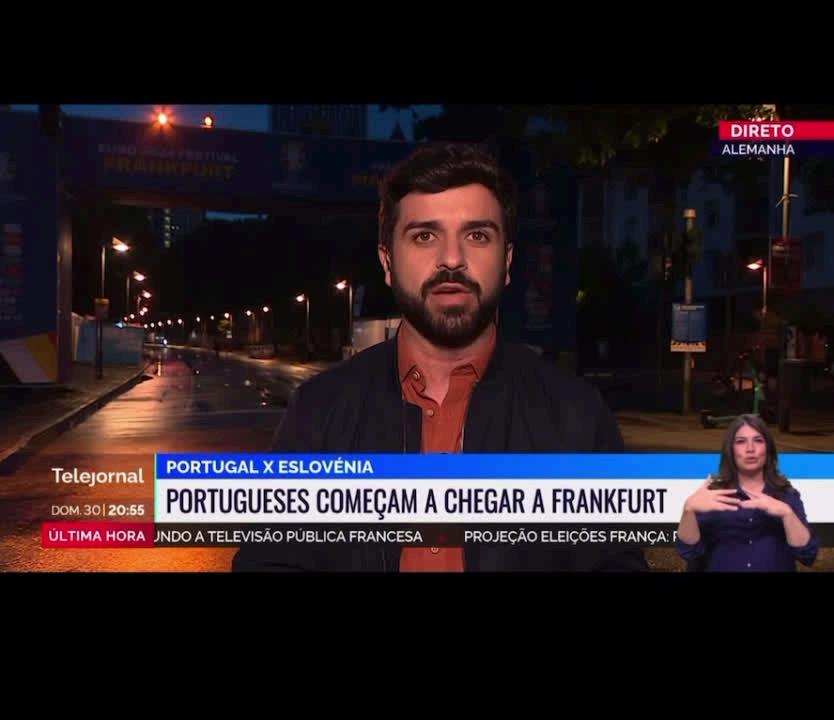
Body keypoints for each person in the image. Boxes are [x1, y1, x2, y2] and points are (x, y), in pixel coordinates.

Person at [232, 142, 647, 572]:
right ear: (387, 262)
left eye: (477, 235)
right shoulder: (318, 411)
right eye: (424, 236)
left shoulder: (577, 415)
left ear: (507, 262)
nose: (452, 259)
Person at [675, 413, 818, 572]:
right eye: (741, 441)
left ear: (768, 449)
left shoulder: (786, 495)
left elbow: (808, 555)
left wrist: (787, 514)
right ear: (731, 450)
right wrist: (688, 510)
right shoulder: (712, 496)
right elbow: (688, 552)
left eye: (758, 440)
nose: (750, 449)